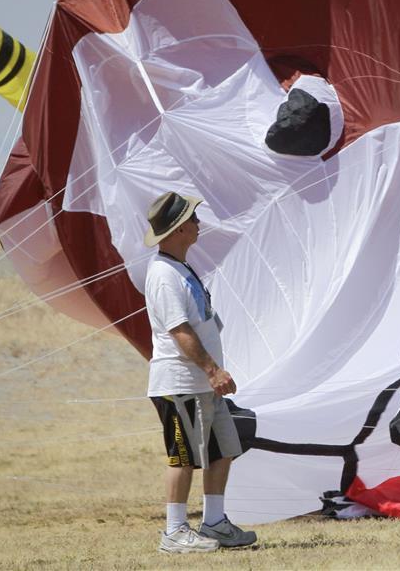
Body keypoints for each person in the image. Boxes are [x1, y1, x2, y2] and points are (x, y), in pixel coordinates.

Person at [143, 191, 257, 553]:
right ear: (178, 229)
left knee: (223, 449)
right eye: (192, 219)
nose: (198, 223)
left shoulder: (180, 268)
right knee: (183, 456)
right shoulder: (164, 275)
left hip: (202, 384)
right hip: (180, 383)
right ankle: (174, 531)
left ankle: (215, 522)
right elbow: (179, 331)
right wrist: (212, 370)